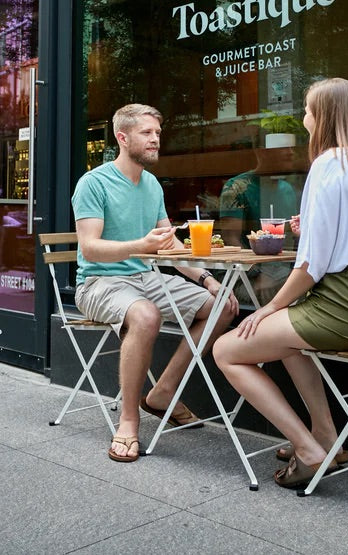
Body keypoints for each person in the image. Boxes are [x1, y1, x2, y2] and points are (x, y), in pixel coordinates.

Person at [212, 78, 348, 488]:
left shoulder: (327, 164)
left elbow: (311, 267)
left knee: (226, 350)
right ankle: (326, 435)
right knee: (286, 338)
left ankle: (307, 447)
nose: (304, 117)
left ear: (325, 117)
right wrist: (316, 236)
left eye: (307, 109)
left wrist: (269, 306)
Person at [74, 103, 239, 463]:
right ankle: (129, 419)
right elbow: (90, 247)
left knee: (221, 306)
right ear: (122, 137)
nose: (155, 140)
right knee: (146, 316)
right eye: (147, 133)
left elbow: (171, 245)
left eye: (157, 134)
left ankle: (163, 391)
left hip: (146, 277)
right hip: (100, 282)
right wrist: (139, 246)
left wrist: (208, 278)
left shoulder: (150, 184)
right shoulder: (93, 183)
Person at [219, 135, 303, 303]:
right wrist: (257, 273)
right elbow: (231, 239)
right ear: (262, 153)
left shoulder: (287, 189)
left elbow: (291, 237)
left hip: (282, 271)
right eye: (283, 148)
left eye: (291, 148)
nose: (290, 153)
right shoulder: (236, 188)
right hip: (244, 275)